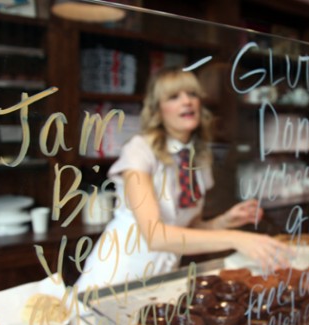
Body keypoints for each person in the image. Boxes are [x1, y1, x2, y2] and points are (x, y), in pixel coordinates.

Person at [75, 67, 289, 291]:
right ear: (158, 109)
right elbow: (156, 236)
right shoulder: (139, 151)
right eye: (174, 97)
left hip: (160, 279)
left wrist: (223, 222)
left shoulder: (198, 157)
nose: (187, 101)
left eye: (192, 94)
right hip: (117, 277)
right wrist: (236, 238)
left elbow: (189, 227)